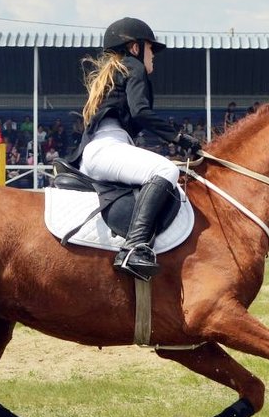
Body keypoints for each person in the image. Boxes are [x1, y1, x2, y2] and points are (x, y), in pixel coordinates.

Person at [65, 17, 201, 281]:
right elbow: (141, 112)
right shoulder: (133, 66)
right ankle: (135, 246)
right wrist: (180, 137)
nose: (154, 56)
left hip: (101, 150)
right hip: (106, 147)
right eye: (151, 49)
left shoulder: (118, 71)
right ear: (135, 47)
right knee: (164, 169)